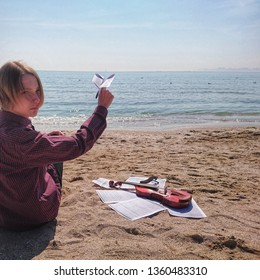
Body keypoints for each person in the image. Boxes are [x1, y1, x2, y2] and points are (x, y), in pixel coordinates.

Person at [0, 61, 114, 230]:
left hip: (6, 213)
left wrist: (46, 139)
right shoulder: (20, 138)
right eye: (25, 92)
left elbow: (19, 149)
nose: (36, 98)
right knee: (57, 157)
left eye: (37, 91)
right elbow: (78, 143)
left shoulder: (8, 127)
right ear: (5, 94)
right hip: (32, 215)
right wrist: (101, 109)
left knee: (51, 148)